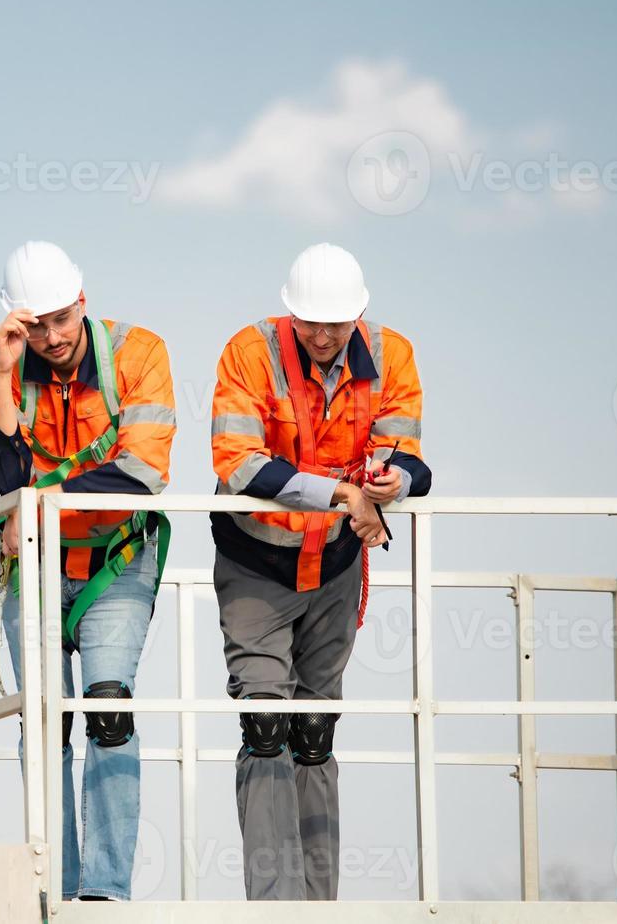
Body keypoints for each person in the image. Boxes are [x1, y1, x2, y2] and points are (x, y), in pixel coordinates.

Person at [208, 242, 431, 900]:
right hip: (257, 561)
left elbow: (411, 457)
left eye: (340, 323)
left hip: (334, 564)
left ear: (359, 315)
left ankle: (319, 903)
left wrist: (390, 482)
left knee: (313, 730)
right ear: (291, 316)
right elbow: (238, 464)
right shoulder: (248, 352)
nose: (327, 336)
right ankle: (276, 905)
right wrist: (343, 495)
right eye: (313, 323)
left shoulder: (392, 356)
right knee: (265, 721)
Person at [0, 240, 175, 901]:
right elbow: (2, 477)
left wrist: (45, 499)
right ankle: (55, 889)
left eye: (61, 319)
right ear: (16, 323)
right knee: (46, 720)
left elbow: (141, 474)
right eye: (36, 325)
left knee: (107, 710)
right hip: (35, 569)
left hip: (114, 563)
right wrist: (3, 376)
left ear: (82, 302)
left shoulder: (140, 354)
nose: (51, 338)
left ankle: (104, 893)